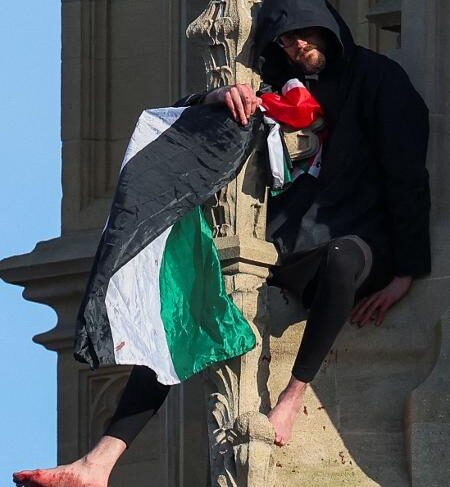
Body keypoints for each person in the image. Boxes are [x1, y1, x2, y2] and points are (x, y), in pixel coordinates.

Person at [13, 1, 430, 485]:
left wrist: (406, 272)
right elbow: (178, 123)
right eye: (285, 40)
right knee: (190, 303)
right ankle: (98, 461)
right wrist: (216, 98)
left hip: (361, 240)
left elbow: (407, 177)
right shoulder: (277, 85)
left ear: (330, 27)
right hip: (292, 242)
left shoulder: (379, 80)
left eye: (304, 35)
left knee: (342, 259)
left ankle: (292, 398)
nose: (297, 47)